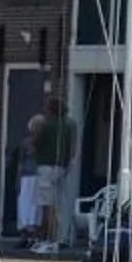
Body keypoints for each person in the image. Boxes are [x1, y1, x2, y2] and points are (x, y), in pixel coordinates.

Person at [28, 94, 77, 252]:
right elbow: (72, 148)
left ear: (51, 110)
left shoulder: (47, 125)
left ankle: (49, 240)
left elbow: (35, 144)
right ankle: (61, 236)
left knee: (47, 205)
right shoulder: (70, 125)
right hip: (62, 168)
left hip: (46, 167)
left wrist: (34, 137)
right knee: (59, 203)